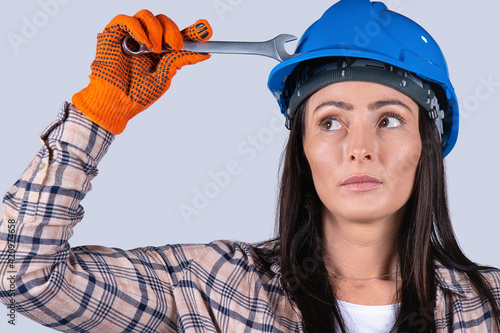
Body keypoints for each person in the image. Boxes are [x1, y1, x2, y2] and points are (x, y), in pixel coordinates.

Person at [1, 0, 499, 332]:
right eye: (330, 122)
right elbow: (21, 274)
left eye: (389, 119)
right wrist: (97, 113)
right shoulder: (213, 287)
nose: (359, 148)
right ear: (301, 149)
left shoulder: (489, 306)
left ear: (426, 144)